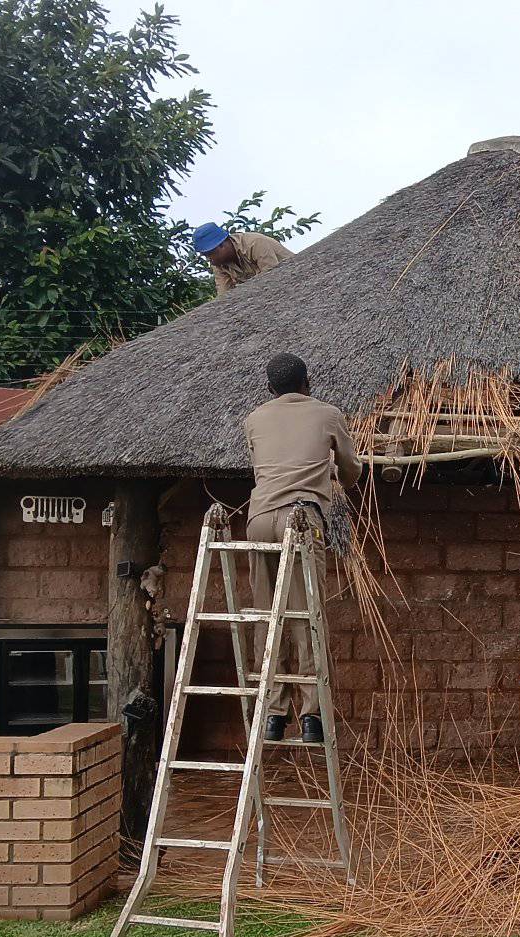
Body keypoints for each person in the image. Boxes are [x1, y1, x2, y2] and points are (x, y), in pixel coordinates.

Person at [242, 352, 363, 745]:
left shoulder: (254, 418)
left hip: (258, 519)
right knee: (305, 615)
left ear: (270, 389)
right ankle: (311, 717)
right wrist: (338, 479)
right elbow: (351, 468)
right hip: (301, 519)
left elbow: (261, 464)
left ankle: (273, 716)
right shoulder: (328, 413)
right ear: (307, 383)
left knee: (266, 615)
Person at [194, 223, 293, 294]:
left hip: (292, 278)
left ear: (222, 245)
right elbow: (224, 296)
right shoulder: (219, 264)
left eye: (209, 254)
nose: (208, 259)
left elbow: (272, 278)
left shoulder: (255, 243)